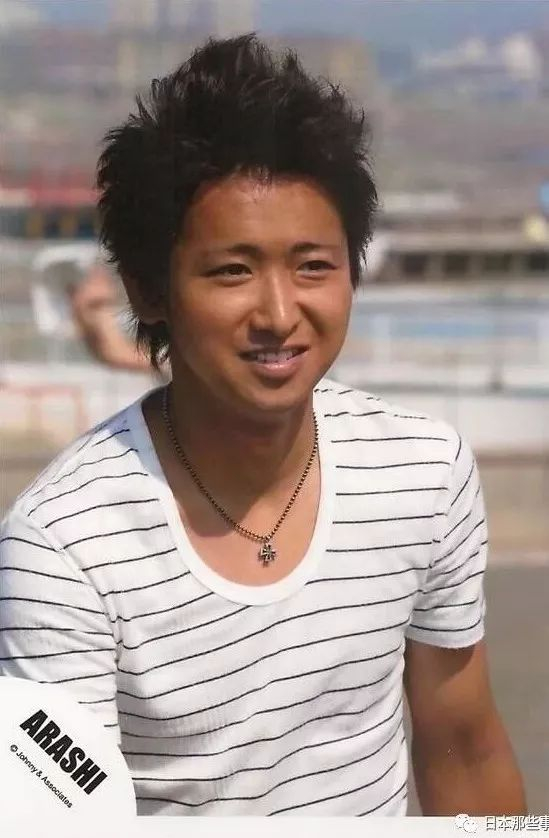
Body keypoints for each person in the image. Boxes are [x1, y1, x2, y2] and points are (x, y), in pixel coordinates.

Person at [0, 34, 526, 817]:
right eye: (231, 271)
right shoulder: (64, 548)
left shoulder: (425, 473)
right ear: (147, 291)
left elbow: (464, 748)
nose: (280, 313)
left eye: (313, 265)